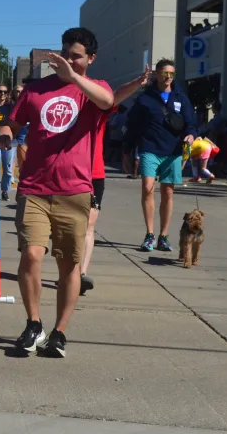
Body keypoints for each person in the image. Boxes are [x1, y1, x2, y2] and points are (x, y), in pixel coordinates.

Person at [0, 27, 113, 358]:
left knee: (69, 267)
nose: (68, 60)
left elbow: (107, 102)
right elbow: (12, 124)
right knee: (31, 255)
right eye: (65, 53)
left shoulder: (93, 90)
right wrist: (5, 132)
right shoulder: (35, 91)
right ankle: (33, 324)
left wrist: (74, 78)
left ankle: (59, 332)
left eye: (76, 55)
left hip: (74, 190)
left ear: (90, 59)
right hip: (34, 187)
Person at [80, 67, 152, 295]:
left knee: (88, 225)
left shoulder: (99, 105)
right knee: (69, 229)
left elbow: (116, 95)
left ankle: (80, 274)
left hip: (93, 174)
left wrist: (137, 83)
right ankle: (69, 271)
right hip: (65, 174)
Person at [122, 59, 195, 253]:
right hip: (149, 148)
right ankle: (149, 234)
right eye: (164, 73)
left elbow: (190, 124)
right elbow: (133, 124)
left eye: (171, 74)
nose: (168, 77)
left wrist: (191, 135)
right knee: (147, 187)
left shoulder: (181, 97)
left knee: (167, 191)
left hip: (173, 151)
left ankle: (163, 236)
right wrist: (127, 150)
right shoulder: (145, 98)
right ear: (157, 75)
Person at [11, 85, 29, 171]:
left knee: (22, 159)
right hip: (12, 133)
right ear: (13, 93)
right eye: (17, 91)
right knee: (10, 160)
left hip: (24, 134)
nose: (19, 93)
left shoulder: (28, 103)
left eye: (21, 91)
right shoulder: (9, 105)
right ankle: (11, 178)